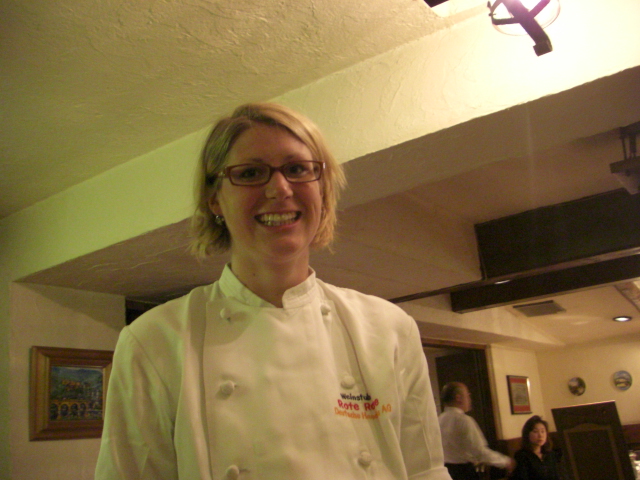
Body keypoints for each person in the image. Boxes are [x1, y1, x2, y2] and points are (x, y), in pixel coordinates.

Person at [95, 102, 452, 480]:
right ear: (214, 199)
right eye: (250, 173)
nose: (280, 188)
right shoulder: (153, 341)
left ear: (323, 189)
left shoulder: (390, 328)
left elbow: (425, 472)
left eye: (297, 169)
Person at [438, 382, 514, 480]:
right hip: (463, 473)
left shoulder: (438, 420)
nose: (470, 399)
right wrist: (506, 461)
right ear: (458, 398)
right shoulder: (464, 420)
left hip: (444, 473)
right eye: (468, 395)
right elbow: (480, 452)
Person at [511, 415, 563, 480]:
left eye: (543, 431)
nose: (540, 435)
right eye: (535, 431)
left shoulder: (550, 454)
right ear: (527, 434)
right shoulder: (521, 456)